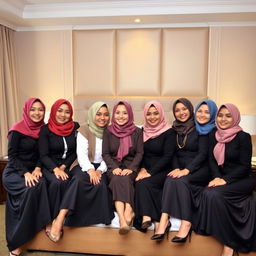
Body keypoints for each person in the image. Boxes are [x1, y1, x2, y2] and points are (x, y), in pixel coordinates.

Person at [151, 98, 217, 242]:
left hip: (200, 168)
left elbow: (202, 155)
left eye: (184, 109)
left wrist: (186, 170)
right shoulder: (174, 129)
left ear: (190, 109)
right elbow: (173, 154)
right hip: (181, 167)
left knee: (181, 181)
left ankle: (186, 222)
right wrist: (176, 169)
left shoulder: (200, 127)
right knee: (170, 178)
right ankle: (163, 219)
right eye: (177, 110)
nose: (181, 113)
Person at [194, 103, 256, 256]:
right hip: (220, 178)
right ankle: (229, 242)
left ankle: (228, 247)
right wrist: (216, 177)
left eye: (228, 116)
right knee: (207, 193)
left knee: (213, 194)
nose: (223, 119)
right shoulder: (213, 135)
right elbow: (211, 161)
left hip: (242, 179)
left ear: (235, 118)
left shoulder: (243, 137)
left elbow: (244, 166)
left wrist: (225, 180)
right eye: (220, 115)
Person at [3, 98, 51, 256]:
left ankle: (43, 224)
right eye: (33, 109)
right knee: (30, 190)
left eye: (40, 109)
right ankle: (17, 243)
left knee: (41, 184)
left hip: (34, 170)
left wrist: (37, 167)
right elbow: (12, 156)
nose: (37, 113)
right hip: (15, 171)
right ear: (26, 110)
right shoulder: (17, 129)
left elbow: (43, 153)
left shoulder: (44, 129)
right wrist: (26, 173)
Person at [61, 101, 114, 227]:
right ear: (92, 114)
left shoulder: (111, 132)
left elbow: (110, 157)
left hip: (103, 167)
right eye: (99, 114)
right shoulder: (84, 130)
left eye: (106, 115)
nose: (103, 118)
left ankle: (96, 220)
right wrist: (91, 170)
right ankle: (61, 217)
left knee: (100, 186)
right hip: (83, 164)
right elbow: (82, 155)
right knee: (78, 181)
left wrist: (99, 170)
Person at [39, 99, 79, 242]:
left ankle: (59, 219)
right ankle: (49, 219)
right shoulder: (45, 129)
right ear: (54, 111)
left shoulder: (75, 127)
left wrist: (63, 167)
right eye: (60, 111)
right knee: (57, 183)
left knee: (70, 181)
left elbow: (75, 152)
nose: (63, 115)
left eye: (67, 112)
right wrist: (55, 169)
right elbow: (43, 155)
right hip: (49, 165)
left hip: (66, 166)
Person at [102, 101, 143, 234]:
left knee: (125, 178)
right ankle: (123, 218)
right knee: (116, 179)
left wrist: (131, 168)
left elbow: (139, 153)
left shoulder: (137, 131)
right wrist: (113, 167)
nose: (121, 116)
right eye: (118, 113)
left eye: (125, 113)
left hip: (131, 166)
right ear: (114, 114)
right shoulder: (108, 131)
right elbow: (106, 153)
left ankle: (128, 211)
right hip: (113, 166)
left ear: (130, 114)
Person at [135, 101, 175, 232]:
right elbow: (140, 153)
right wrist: (142, 169)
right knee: (138, 181)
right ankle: (151, 218)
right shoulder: (142, 131)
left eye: (156, 113)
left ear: (161, 114)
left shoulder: (169, 132)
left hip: (163, 169)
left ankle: (151, 218)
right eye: (149, 114)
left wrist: (150, 172)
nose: (152, 117)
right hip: (146, 168)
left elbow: (168, 156)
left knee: (144, 183)